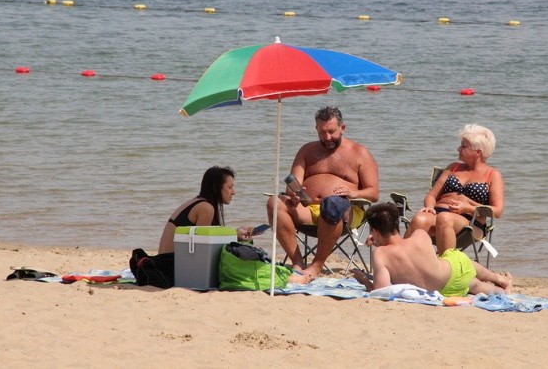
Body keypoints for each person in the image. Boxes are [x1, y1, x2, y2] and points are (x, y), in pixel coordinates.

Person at [266, 106, 380, 280]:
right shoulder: (307, 151)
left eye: (332, 131)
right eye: (322, 132)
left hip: (346, 211)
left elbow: (373, 193)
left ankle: (317, 265)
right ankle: (298, 262)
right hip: (308, 208)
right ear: (316, 129)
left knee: (332, 204)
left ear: (343, 128)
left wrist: (352, 192)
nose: (327, 138)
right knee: (274, 202)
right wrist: (294, 193)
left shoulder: (360, 153)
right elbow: (293, 183)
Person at [352, 203, 512, 296]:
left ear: (375, 232)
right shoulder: (420, 235)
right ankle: (500, 280)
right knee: (455, 258)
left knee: (476, 286)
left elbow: (381, 291)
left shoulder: (380, 254)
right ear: (396, 225)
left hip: (446, 289)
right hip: (453, 271)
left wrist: (364, 280)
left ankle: (501, 290)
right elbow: (408, 254)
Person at [406, 124, 504, 255]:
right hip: (438, 213)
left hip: (470, 222)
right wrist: (430, 207)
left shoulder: (492, 175)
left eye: (463, 146)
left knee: (445, 218)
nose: (458, 149)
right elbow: (431, 195)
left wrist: (467, 208)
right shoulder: (453, 168)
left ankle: (447, 267)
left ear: (477, 152)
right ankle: (399, 262)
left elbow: (497, 211)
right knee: (420, 219)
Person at [158, 166, 252, 254]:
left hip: (165, 262)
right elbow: (202, 250)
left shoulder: (197, 202)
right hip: (170, 266)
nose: (234, 192)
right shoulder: (206, 208)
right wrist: (234, 236)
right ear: (216, 187)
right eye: (230, 187)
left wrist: (235, 235)